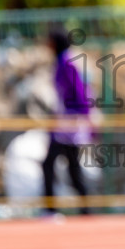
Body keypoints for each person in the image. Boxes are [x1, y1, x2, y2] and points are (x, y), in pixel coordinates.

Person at [42, 27, 93, 216]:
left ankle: (50, 209)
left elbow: (80, 92)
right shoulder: (61, 60)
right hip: (64, 121)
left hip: (70, 122)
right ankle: (85, 209)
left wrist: (85, 118)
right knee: (72, 168)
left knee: (50, 164)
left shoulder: (67, 61)